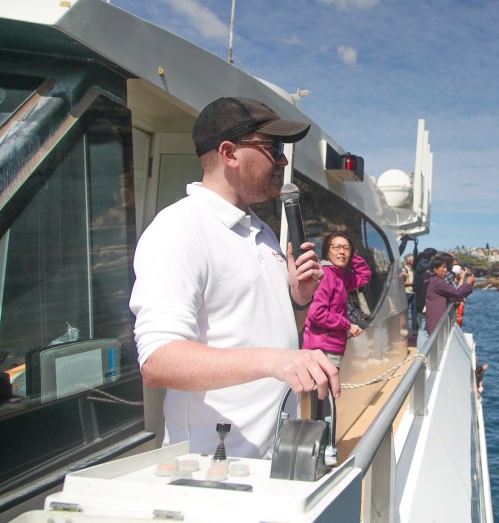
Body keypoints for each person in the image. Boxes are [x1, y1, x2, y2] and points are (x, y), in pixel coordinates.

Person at [130, 96, 340, 459]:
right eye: (274, 148)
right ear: (229, 153)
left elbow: (266, 330)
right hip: (212, 472)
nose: (283, 160)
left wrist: (298, 300)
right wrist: (273, 361)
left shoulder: (262, 232)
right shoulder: (179, 229)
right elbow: (158, 361)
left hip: (271, 459)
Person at [303, 233, 371, 420]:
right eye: (336, 247)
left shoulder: (339, 276)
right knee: (323, 403)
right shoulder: (326, 276)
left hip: (330, 345)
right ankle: (321, 445)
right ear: (326, 251)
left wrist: (353, 253)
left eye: (346, 248)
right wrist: (347, 325)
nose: (341, 252)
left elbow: (364, 277)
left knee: (325, 400)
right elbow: (316, 313)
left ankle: (322, 443)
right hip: (322, 347)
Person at [418, 255, 475, 348]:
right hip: (436, 321)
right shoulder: (437, 282)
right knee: (438, 345)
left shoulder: (435, 280)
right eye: (443, 267)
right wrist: (468, 284)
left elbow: (454, 295)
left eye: (446, 267)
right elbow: (456, 293)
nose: (445, 270)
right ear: (435, 269)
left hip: (435, 319)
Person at [402, 254, 415, 330]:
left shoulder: (412, 270)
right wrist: (415, 283)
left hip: (413, 292)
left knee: (412, 313)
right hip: (407, 293)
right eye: (413, 260)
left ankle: (411, 329)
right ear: (410, 261)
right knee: (409, 313)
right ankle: (409, 330)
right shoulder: (404, 270)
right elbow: (403, 283)